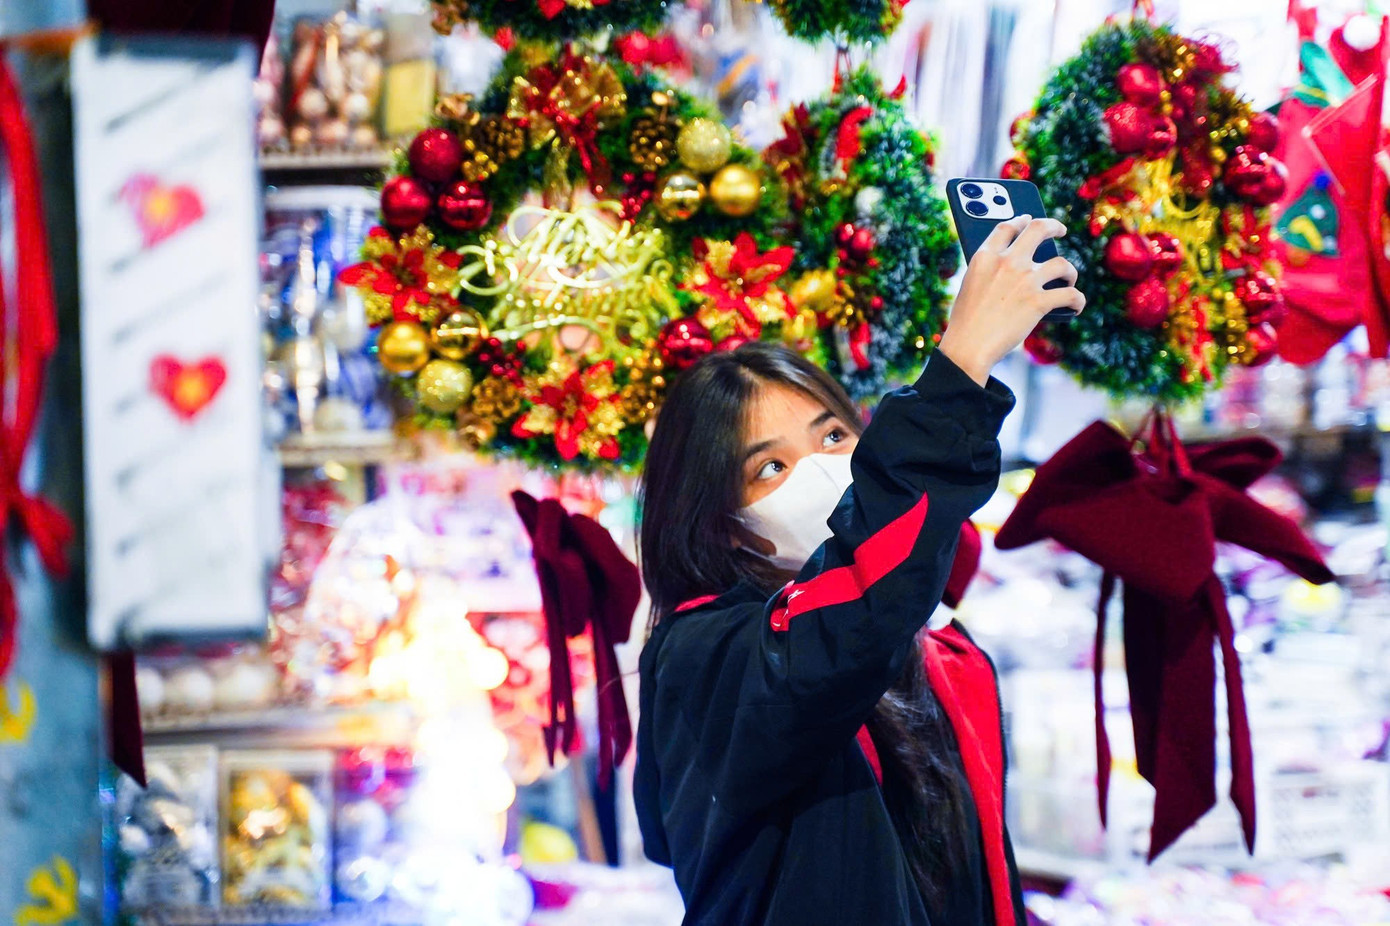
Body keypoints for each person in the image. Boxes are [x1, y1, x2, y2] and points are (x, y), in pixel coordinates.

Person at [633, 215, 1084, 926]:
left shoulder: (940, 654)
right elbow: (845, 621)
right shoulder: (708, 659)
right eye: (769, 467)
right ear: (719, 520)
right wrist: (960, 362)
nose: (820, 471)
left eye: (834, 436)